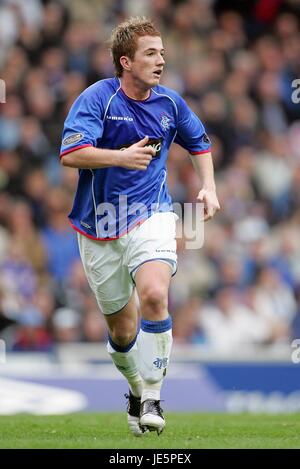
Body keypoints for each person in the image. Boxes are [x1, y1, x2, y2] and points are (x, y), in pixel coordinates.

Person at [60, 17, 220, 436]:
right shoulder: (98, 99)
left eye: (163, 52)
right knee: (122, 330)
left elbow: (199, 142)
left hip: (151, 214)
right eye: (151, 53)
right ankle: (135, 389)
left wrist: (209, 187)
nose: (161, 60)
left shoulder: (170, 103)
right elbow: (71, 154)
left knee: (153, 294)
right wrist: (120, 157)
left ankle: (153, 395)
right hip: (98, 228)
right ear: (125, 61)